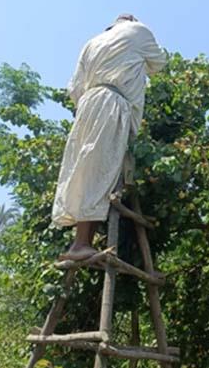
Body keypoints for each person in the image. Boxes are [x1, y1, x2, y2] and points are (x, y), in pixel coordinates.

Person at [52, 14, 167, 260]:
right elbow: (159, 63)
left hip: (86, 105)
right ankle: (81, 244)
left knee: (84, 168)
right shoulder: (138, 30)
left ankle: (81, 242)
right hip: (112, 102)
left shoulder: (91, 43)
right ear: (131, 21)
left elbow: (74, 88)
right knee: (99, 170)